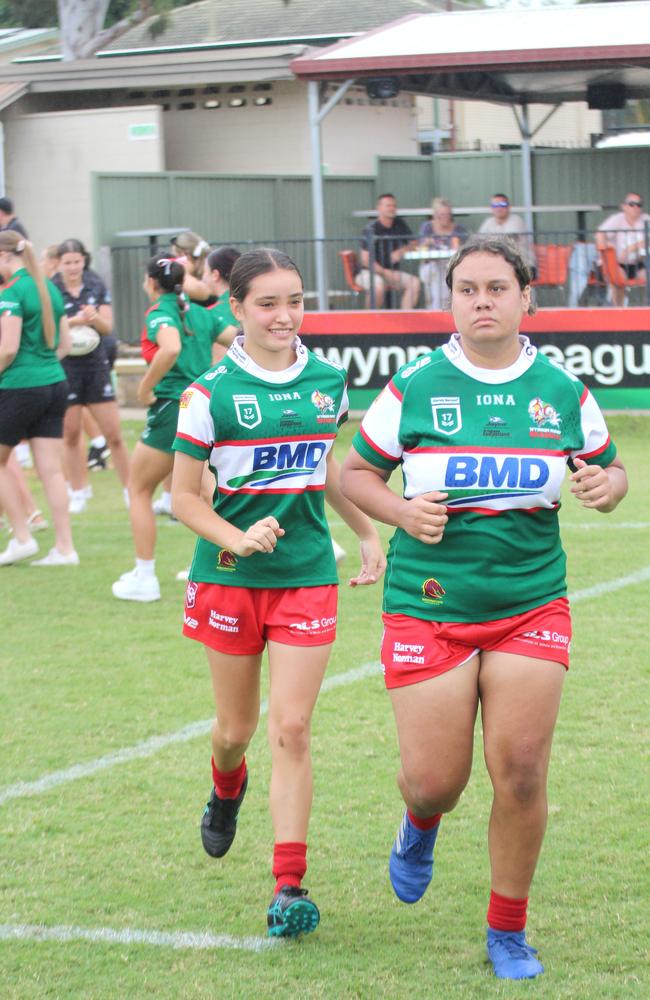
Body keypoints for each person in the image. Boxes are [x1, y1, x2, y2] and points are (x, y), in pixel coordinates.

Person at [340, 235, 627, 980]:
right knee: (437, 779)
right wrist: (402, 513)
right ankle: (420, 822)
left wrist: (608, 487)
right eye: (467, 289)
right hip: (428, 606)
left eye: (497, 288)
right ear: (451, 299)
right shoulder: (417, 383)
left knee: (523, 773)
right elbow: (356, 474)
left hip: (532, 604)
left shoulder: (562, 388)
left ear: (526, 298)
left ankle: (508, 930)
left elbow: (610, 467)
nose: (482, 301)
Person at [171, 248, 385, 938]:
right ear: (237, 310)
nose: (285, 315)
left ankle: (288, 884)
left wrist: (365, 531)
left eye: (294, 300)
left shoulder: (328, 380)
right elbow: (180, 497)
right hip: (229, 580)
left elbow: (322, 467)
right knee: (235, 731)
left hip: (305, 578)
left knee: (292, 728)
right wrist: (235, 540)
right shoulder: (209, 393)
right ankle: (225, 786)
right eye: (267, 303)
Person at [112, 255, 233, 602]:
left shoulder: (160, 313)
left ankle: (145, 577)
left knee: (138, 490)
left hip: (173, 408)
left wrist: (144, 388)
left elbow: (171, 347)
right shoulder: (201, 312)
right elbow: (240, 340)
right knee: (210, 490)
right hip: (205, 406)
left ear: (150, 283)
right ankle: (225, 565)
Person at [0, 231, 79, 566]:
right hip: (54, 383)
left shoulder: (13, 292)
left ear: (5, 257)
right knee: (51, 470)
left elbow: (7, 348)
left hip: (20, 384)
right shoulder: (49, 287)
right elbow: (64, 345)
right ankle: (65, 548)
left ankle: (22, 537)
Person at [54, 238, 130, 513]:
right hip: (67, 366)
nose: (73, 267)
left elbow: (107, 327)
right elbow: (50, 330)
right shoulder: (53, 288)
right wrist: (73, 321)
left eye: (77, 261)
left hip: (95, 365)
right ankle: (78, 491)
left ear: (84, 261)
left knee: (114, 434)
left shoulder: (95, 284)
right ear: (59, 264)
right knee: (71, 434)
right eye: (68, 262)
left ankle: (129, 490)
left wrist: (93, 317)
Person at [357, 193, 420, 309]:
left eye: (394, 206)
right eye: (388, 205)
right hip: (369, 273)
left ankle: (406, 320)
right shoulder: (370, 229)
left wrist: (401, 251)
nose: (392, 208)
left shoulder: (399, 224)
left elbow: (414, 243)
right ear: (379, 208)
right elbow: (366, 260)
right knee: (378, 287)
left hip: (392, 273)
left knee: (414, 282)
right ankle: (369, 321)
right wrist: (386, 272)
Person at [596, 192, 650, 306]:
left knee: (647, 277)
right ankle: (618, 310)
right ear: (624, 206)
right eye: (632, 204)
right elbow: (600, 234)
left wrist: (630, 248)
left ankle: (645, 309)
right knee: (618, 280)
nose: (636, 207)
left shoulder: (646, 219)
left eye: (639, 204)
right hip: (618, 263)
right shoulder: (617, 219)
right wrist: (604, 250)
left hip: (639, 263)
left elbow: (646, 240)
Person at [417, 197, 467, 309]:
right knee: (437, 270)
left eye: (447, 214)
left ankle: (440, 311)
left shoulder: (458, 229)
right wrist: (426, 242)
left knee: (445, 272)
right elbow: (420, 247)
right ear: (434, 215)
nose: (444, 218)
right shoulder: (427, 227)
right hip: (429, 266)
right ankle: (438, 312)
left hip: (452, 266)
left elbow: (465, 250)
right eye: (441, 215)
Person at [479, 194, 535, 273]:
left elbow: (507, 241)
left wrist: (489, 242)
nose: (499, 208)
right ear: (491, 208)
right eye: (495, 205)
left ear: (509, 207)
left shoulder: (516, 220)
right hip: (498, 264)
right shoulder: (488, 222)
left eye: (502, 204)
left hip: (523, 265)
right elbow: (479, 240)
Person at [170, 231, 212, 303]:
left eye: (175, 257)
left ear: (184, 255)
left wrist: (184, 272)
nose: (174, 262)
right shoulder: (211, 272)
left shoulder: (200, 282)